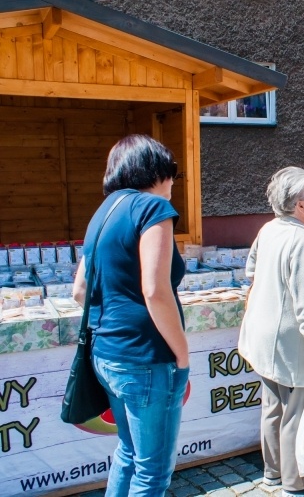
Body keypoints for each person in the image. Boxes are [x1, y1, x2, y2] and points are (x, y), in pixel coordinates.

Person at [73, 134, 189, 496]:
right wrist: (182, 354)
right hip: (146, 359)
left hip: (106, 352)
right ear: (154, 171)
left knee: (128, 451)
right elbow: (155, 291)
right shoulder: (153, 209)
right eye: (171, 172)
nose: (172, 181)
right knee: (153, 472)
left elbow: (79, 291)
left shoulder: (104, 211)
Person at [238, 167, 304, 497]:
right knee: (296, 413)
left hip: (265, 337)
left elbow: (251, 273)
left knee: (274, 408)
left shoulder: (270, 230)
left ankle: (274, 473)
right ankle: (298, 484)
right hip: (291, 343)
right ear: (299, 204)